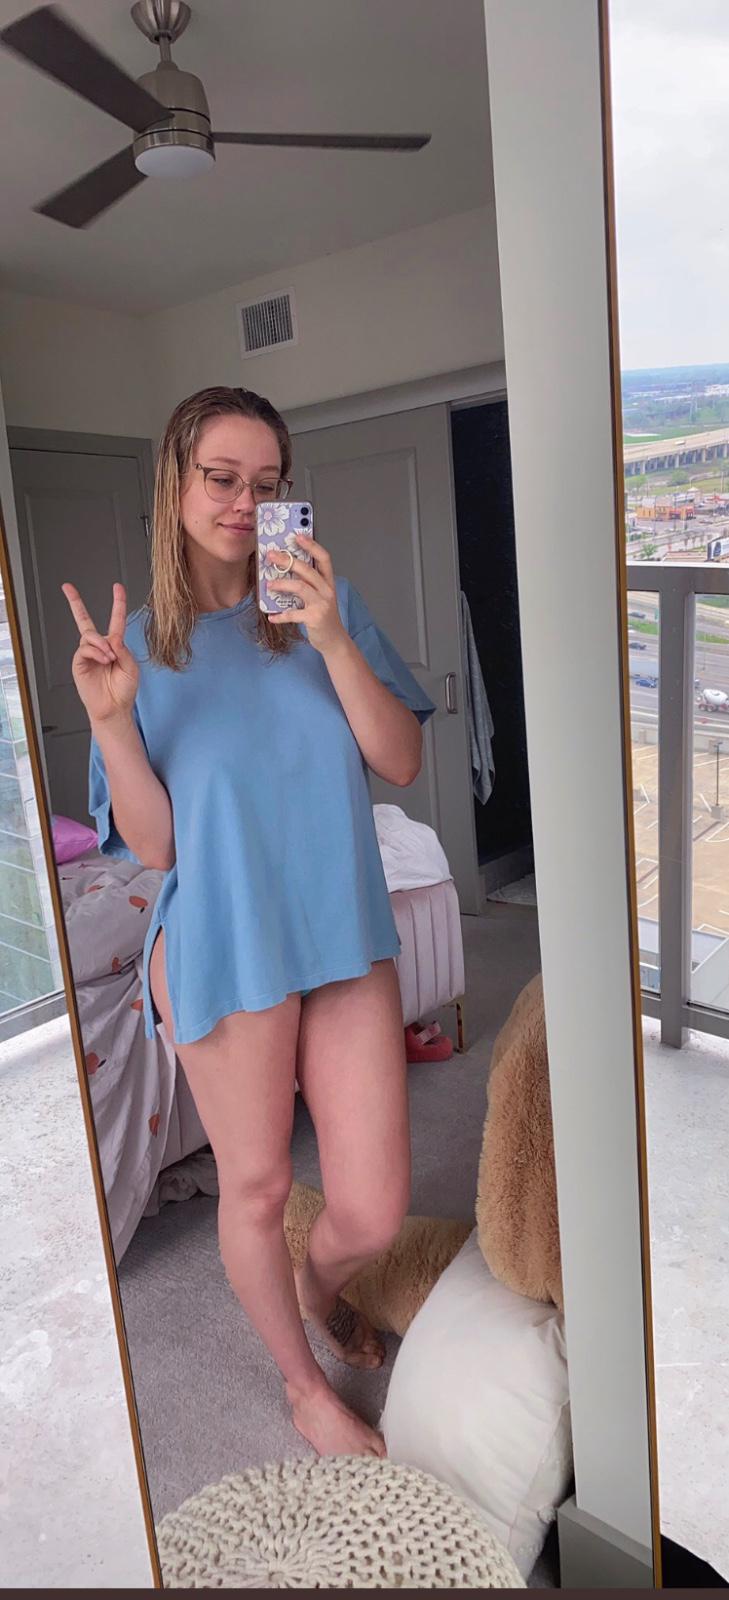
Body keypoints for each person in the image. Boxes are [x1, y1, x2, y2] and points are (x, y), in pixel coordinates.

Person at [62, 385, 436, 1457]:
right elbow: (156, 848)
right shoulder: (139, 652)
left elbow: (401, 761)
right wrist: (112, 723)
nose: (243, 503)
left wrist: (331, 638)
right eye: (221, 478)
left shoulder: (325, 606)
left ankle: (317, 1289)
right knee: (260, 1184)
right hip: (224, 940)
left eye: (267, 485)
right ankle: (303, 1387)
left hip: (341, 930)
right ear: (176, 484)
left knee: (370, 1208)